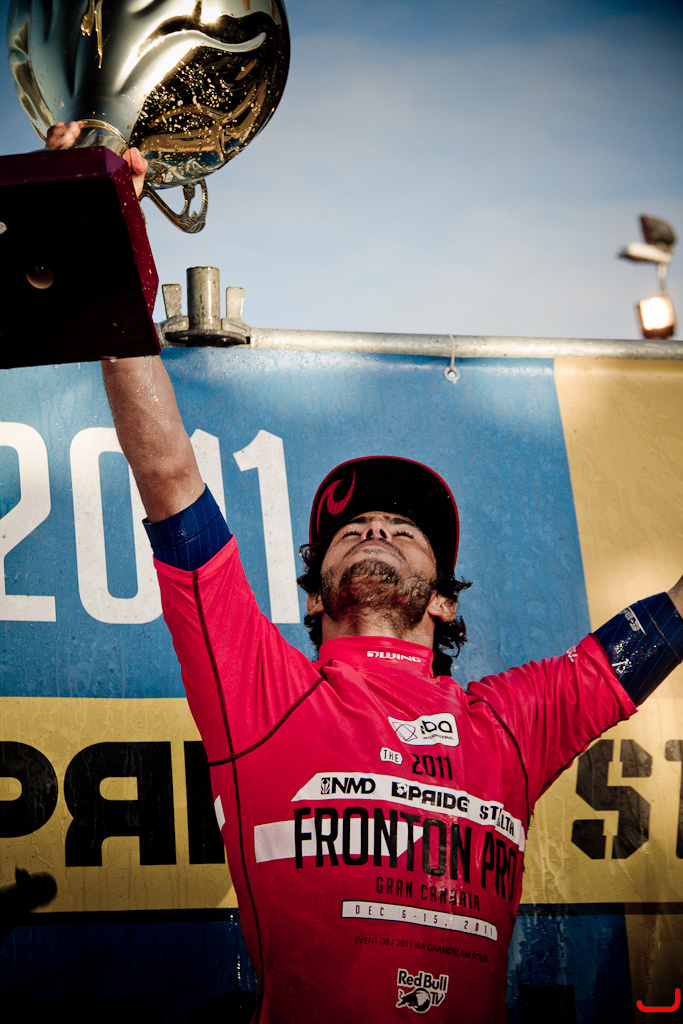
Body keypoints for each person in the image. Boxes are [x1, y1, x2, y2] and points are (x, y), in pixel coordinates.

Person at [47, 122, 683, 1022]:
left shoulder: (511, 723)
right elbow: (167, 475)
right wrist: (103, 233)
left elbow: (665, 625)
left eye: (404, 529)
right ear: (313, 596)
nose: (378, 527)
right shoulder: (262, 692)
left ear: (447, 603)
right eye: (352, 530)